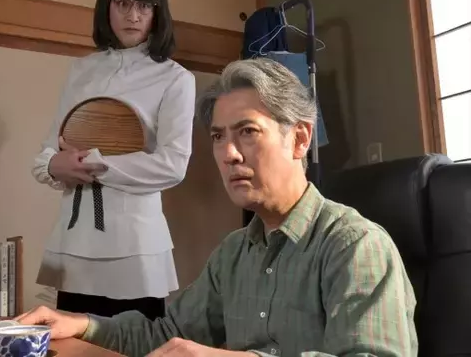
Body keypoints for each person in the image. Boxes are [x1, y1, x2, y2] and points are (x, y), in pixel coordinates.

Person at [21, 58, 418, 356]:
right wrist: (79, 324)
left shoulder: (355, 245)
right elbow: (165, 334)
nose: (228, 154)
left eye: (247, 132)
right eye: (217, 137)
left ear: (299, 140)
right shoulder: (233, 253)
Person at [31, 0, 195, 321]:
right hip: (73, 241)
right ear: (107, 7)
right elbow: (49, 150)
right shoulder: (80, 70)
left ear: (157, 12)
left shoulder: (175, 78)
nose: (133, 15)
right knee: (71, 341)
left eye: (144, 5)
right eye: (122, 3)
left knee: (135, 341)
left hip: (134, 245)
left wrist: (94, 163)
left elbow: (172, 165)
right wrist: (54, 165)